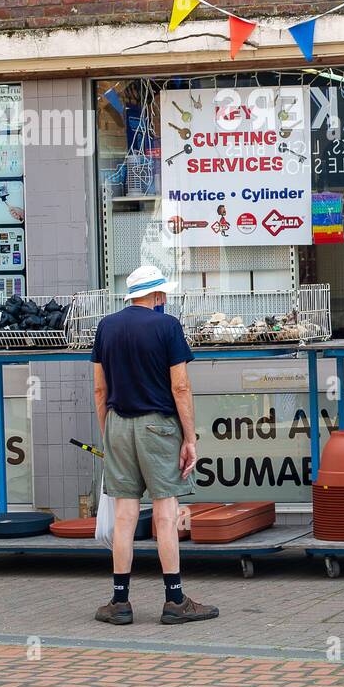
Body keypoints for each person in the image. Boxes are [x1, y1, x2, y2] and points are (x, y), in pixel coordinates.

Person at [91, 264, 218, 626]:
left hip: (117, 424)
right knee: (165, 513)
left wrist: (109, 432)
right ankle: (175, 600)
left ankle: (120, 603)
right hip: (159, 427)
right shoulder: (168, 326)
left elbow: (99, 389)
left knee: (125, 516)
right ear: (158, 294)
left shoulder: (106, 327)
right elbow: (180, 387)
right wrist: (189, 438)